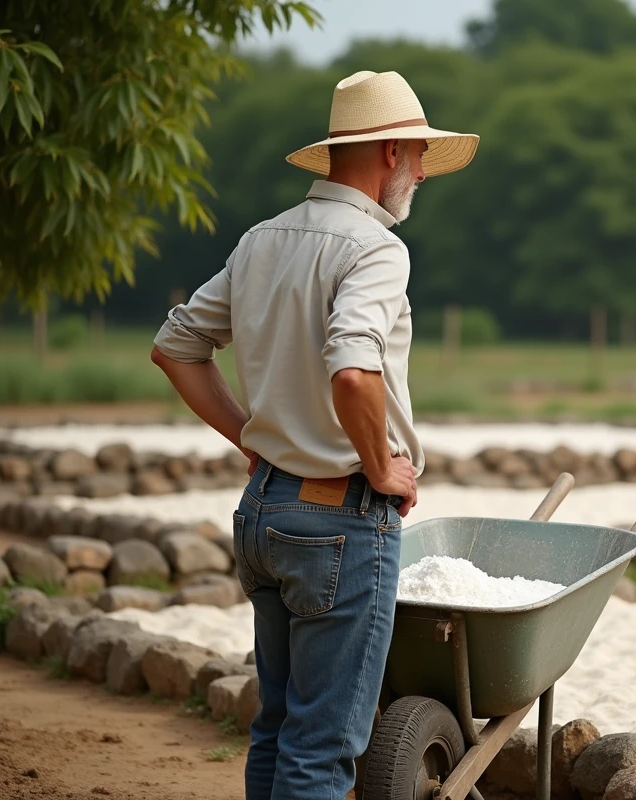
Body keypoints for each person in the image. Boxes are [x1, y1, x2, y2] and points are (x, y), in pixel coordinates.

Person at [149, 70, 479, 800]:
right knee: (322, 749)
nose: (424, 171)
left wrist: (253, 440)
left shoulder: (264, 239)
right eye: (419, 155)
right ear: (390, 151)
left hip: (265, 513)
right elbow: (353, 371)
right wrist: (380, 465)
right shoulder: (376, 250)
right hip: (340, 523)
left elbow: (175, 348)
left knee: (277, 726)